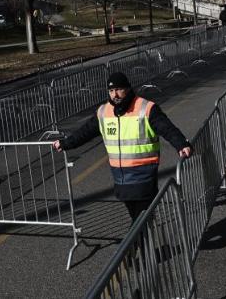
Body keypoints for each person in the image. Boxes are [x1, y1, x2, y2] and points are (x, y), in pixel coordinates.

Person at [53, 72, 192, 222]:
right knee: (138, 217)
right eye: (111, 91)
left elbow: (167, 129)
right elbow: (85, 132)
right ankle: (145, 243)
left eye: (119, 89)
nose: (115, 95)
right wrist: (66, 143)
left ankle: (135, 245)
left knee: (141, 218)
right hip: (121, 178)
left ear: (128, 88)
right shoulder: (104, 112)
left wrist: (181, 144)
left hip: (143, 175)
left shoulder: (145, 108)